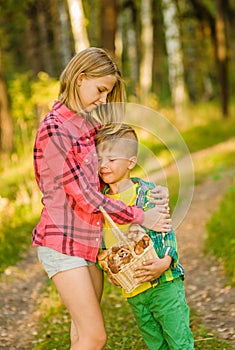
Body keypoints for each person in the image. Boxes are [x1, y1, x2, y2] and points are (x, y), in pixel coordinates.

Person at [32, 47, 172, 350]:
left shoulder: (87, 126)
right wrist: (139, 215)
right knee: (96, 337)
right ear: (80, 78)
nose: (103, 100)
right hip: (62, 243)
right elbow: (86, 196)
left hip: (89, 243)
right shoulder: (55, 128)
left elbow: (111, 176)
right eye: (100, 90)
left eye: (107, 94)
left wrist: (147, 193)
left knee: (82, 336)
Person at [96, 123, 194, 350]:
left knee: (179, 340)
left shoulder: (149, 193)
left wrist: (165, 262)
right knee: (154, 343)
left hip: (163, 284)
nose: (103, 165)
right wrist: (109, 269)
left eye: (111, 159)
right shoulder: (100, 202)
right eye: (99, 159)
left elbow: (166, 231)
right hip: (134, 290)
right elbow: (102, 241)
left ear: (130, 162)